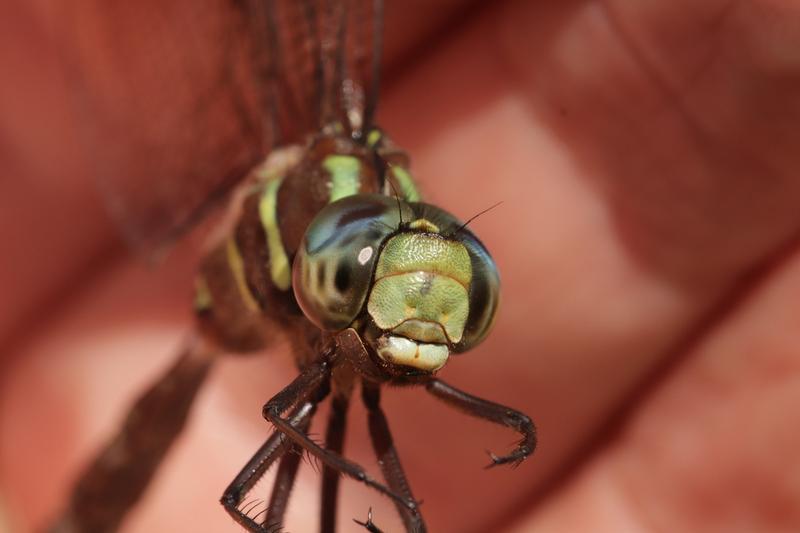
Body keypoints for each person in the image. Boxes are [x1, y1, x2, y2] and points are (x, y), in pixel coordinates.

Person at [1, 1, 799, 531]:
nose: (422, 314)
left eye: (465, 297)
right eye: (362, 284)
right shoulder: (314, 291)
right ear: (314, 273)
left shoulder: (348, 285)